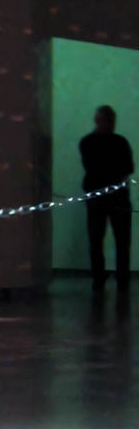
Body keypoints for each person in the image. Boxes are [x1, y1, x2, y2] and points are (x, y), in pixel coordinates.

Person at [79, 105, 134, 293]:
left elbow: (93, 167)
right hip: (116, 198)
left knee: (100, 239)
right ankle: (118, 277)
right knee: (117, 240)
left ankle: (101, 277)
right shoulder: (120, 142)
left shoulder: (87, 142)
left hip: (99, 197)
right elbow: (128, 167)